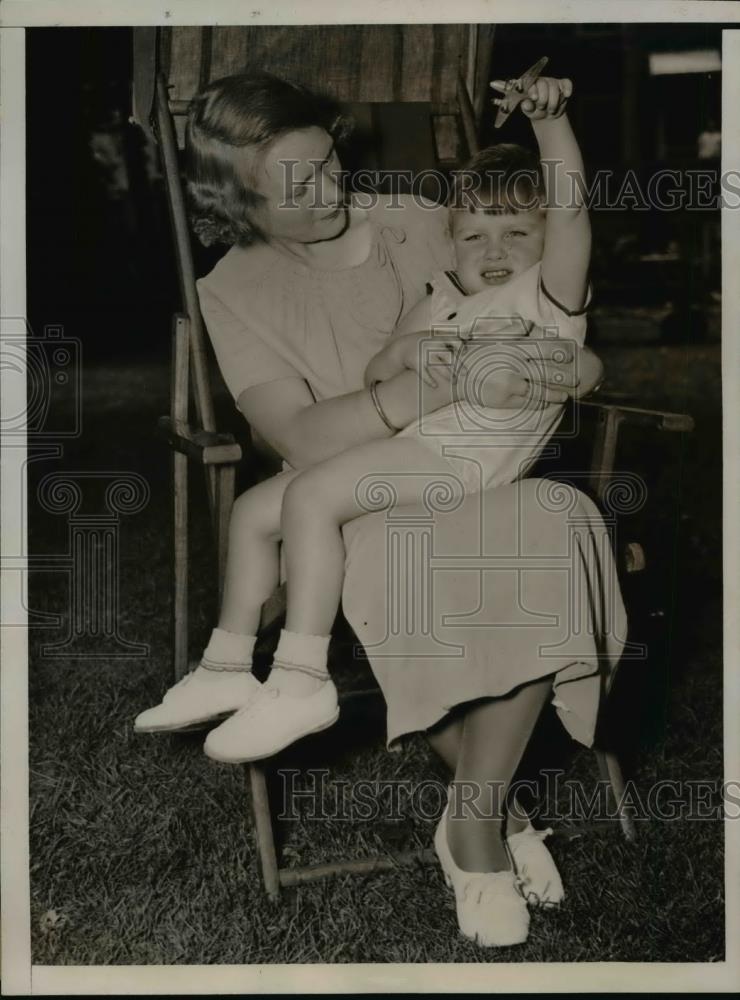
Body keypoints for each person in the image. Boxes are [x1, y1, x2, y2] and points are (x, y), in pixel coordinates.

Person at [134, 72, 626, 948]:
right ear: (238, 202)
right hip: (356, 501)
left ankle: (474, 819)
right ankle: (491, 825)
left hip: (483, 470)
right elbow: (306, 431)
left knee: (546, 522)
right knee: (416, 557)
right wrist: (418, 384)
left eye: (327, 163)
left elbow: (561, 311)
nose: (328, 190)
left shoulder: (423, 214)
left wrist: (563, 370)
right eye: (293, 185)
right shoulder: (232, 290)